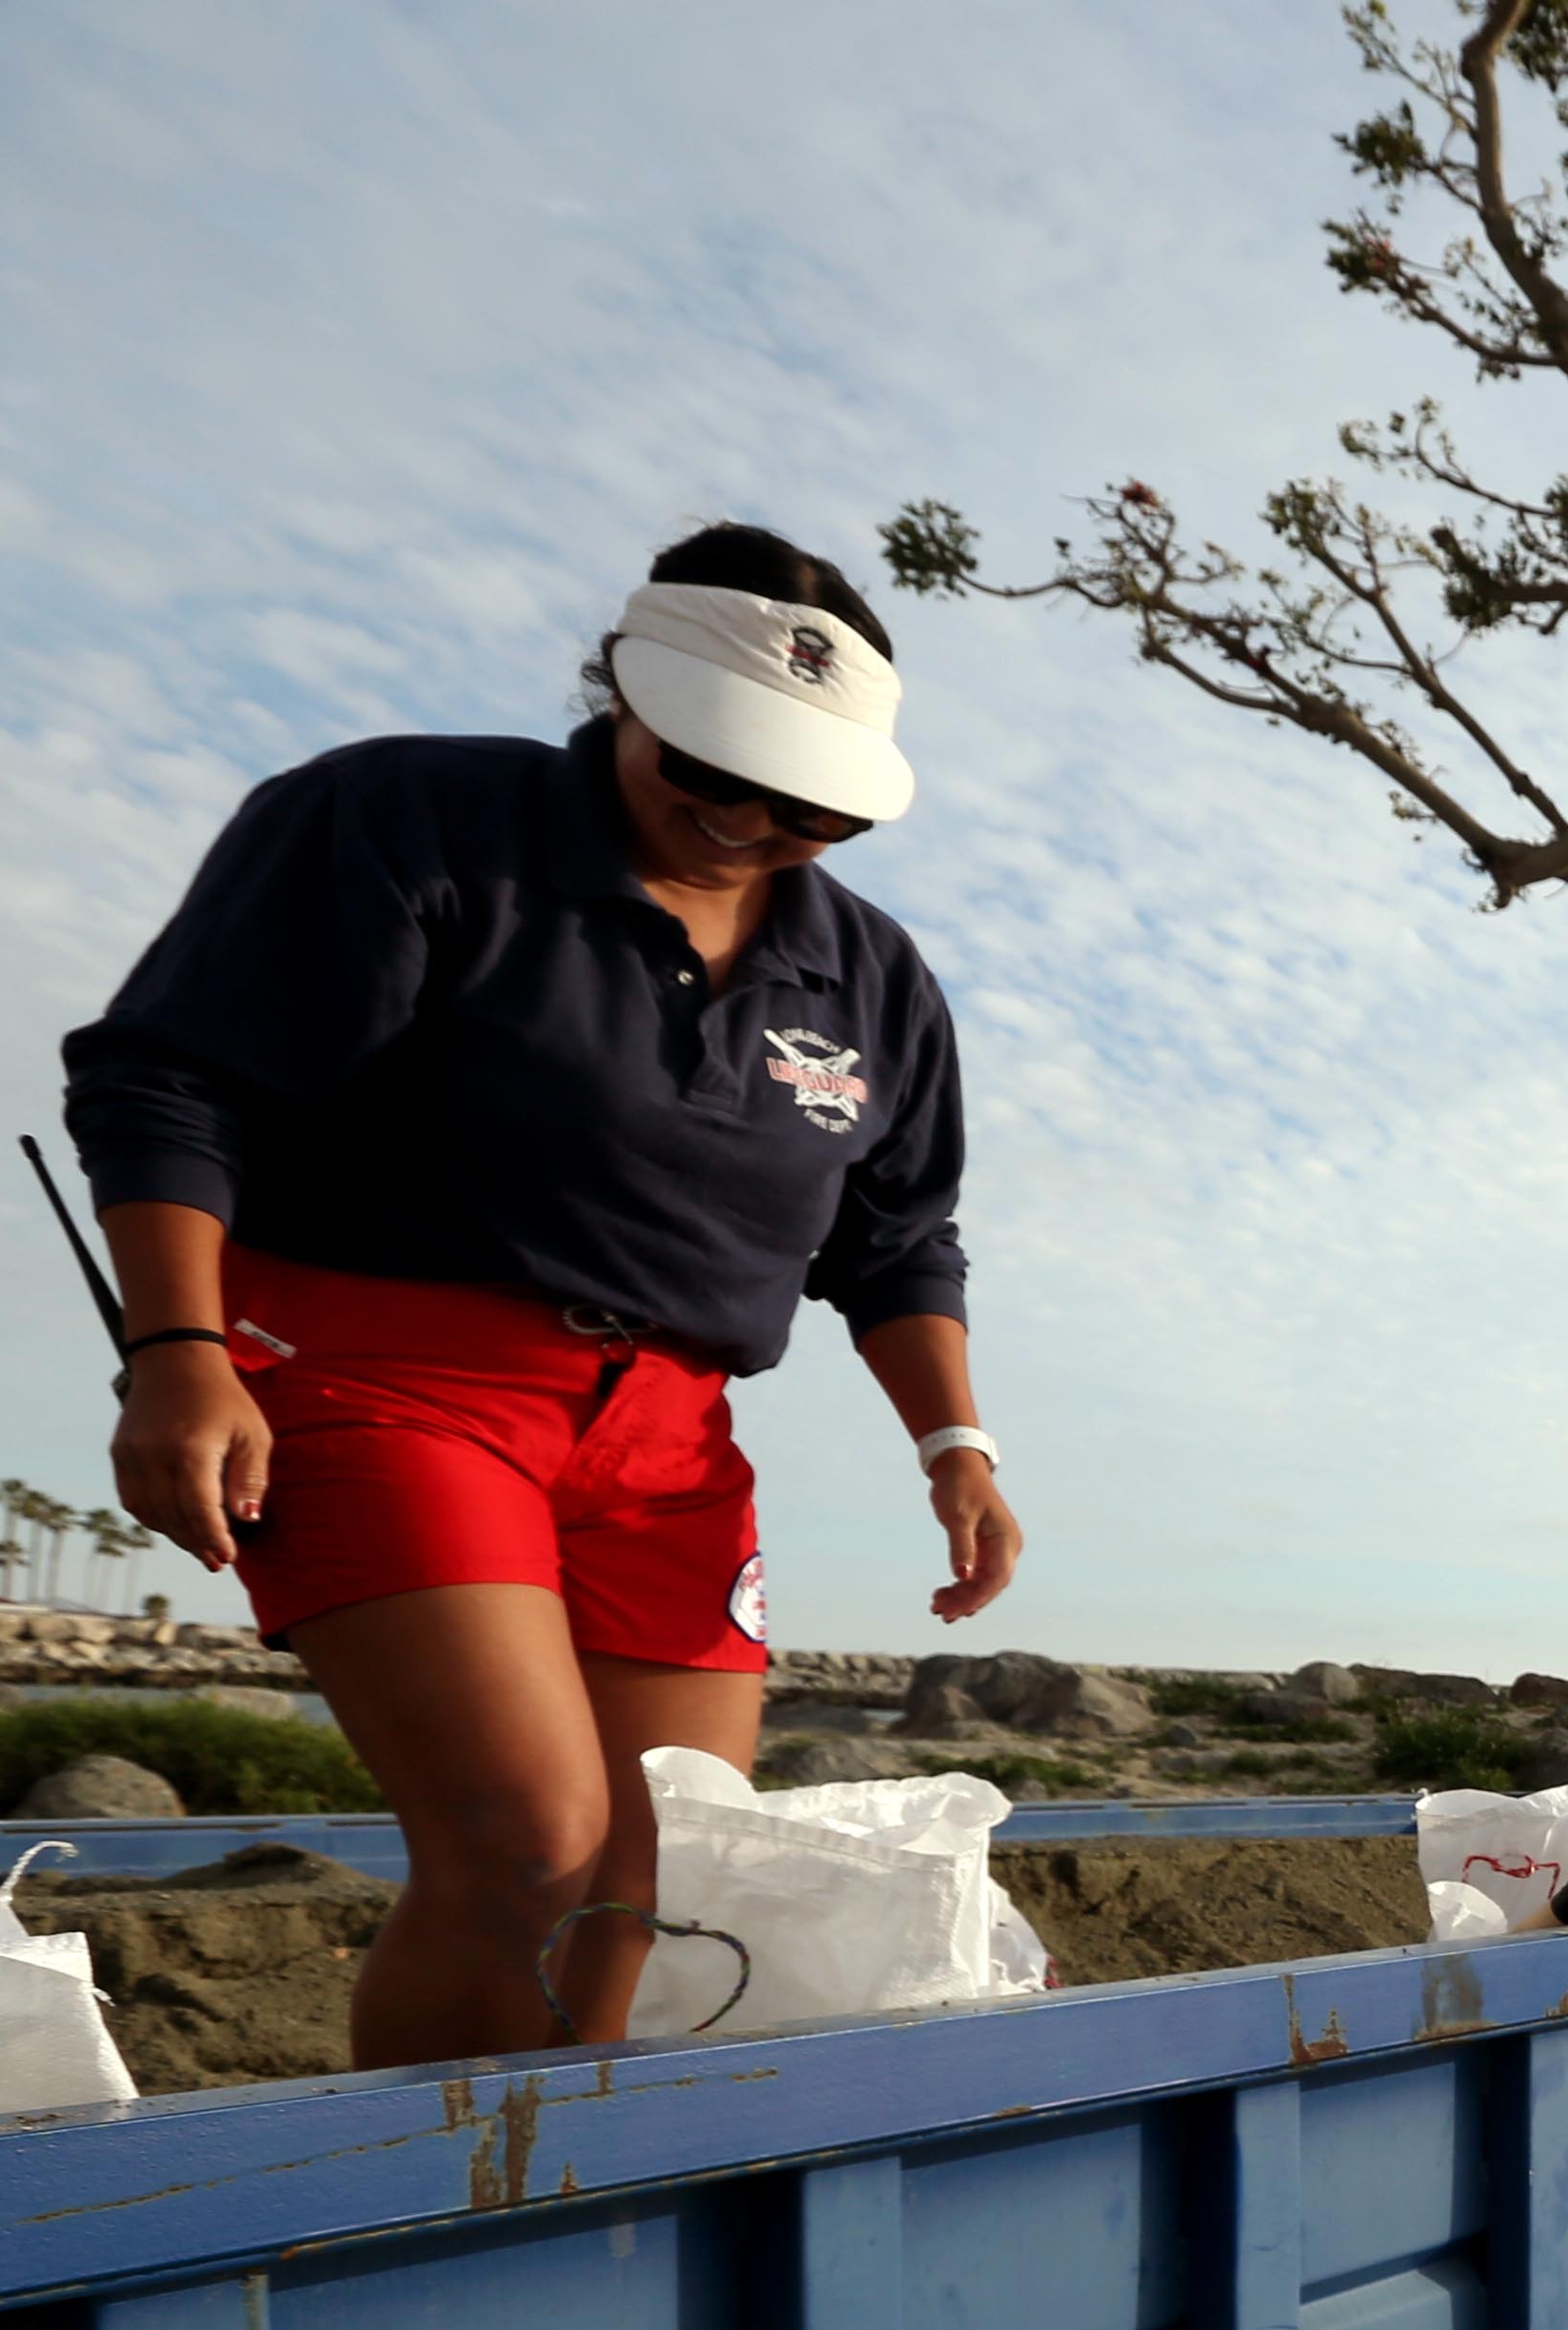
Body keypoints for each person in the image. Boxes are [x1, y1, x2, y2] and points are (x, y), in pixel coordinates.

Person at [65, 524, 1018, 2066]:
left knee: (653, 1874)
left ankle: (551, 2222)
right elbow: (170, 1082)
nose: (750, 822)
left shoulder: (874, 981)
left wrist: (955, 1449)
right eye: (709, 773)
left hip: (669, 1441)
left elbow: (900, 1237)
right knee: (529, 1843)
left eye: (809, 809)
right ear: (624, 695)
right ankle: (412, 2229)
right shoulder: (405, 820)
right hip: (387, 1373)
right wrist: (178, 1350)